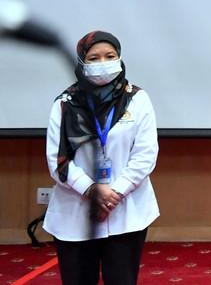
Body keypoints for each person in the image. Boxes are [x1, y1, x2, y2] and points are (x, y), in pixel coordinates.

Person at [44, 31, 159, 285]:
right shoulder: (65, 103)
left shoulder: (137, 100)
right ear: (82, 63)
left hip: (127, 212)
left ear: (119, 58)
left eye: (110, 56)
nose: (102, 63)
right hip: (75, 214)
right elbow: (57, 160)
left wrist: (114, 193)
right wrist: (92, 190)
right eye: (93, 58)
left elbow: (145, 154)